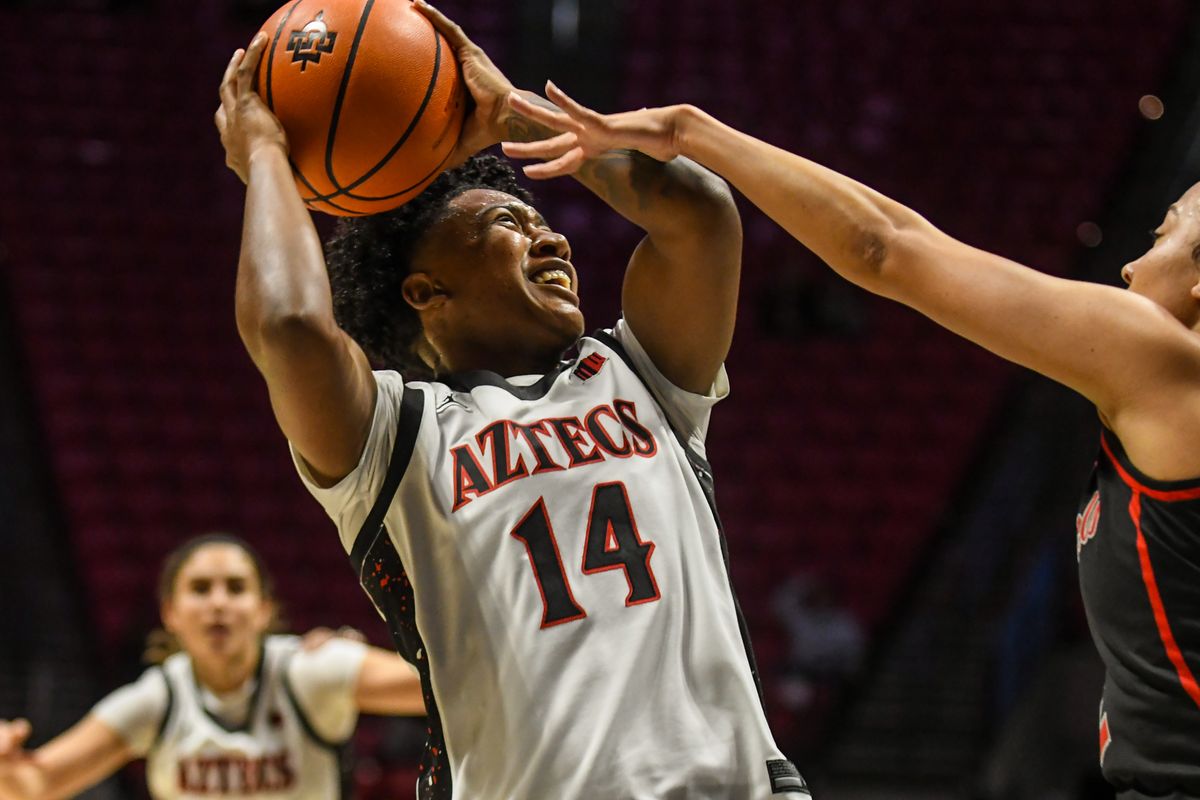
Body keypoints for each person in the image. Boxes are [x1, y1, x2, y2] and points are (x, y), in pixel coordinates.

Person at [500, 82, 1200, 799]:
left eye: (1161, 237)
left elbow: (885, 247)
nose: (1130, 265)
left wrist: (688, 131)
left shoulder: (1164, 365)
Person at [215, 2, 809, 797]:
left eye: (542, 224)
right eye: (509, 224)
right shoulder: (397, 439)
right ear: (427, 291)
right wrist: (266, 158)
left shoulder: (640, 372)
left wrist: (507, 117)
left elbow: (700, 215)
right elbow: (288, 324)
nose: (554, 240)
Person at [0, 533, 424, 800]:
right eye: (200, 589)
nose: (218, 603)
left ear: (263, 610)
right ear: (170, 612)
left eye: (235, 588)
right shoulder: (158, 697)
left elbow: (440, 688)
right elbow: (36, 785)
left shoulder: (311, 670)